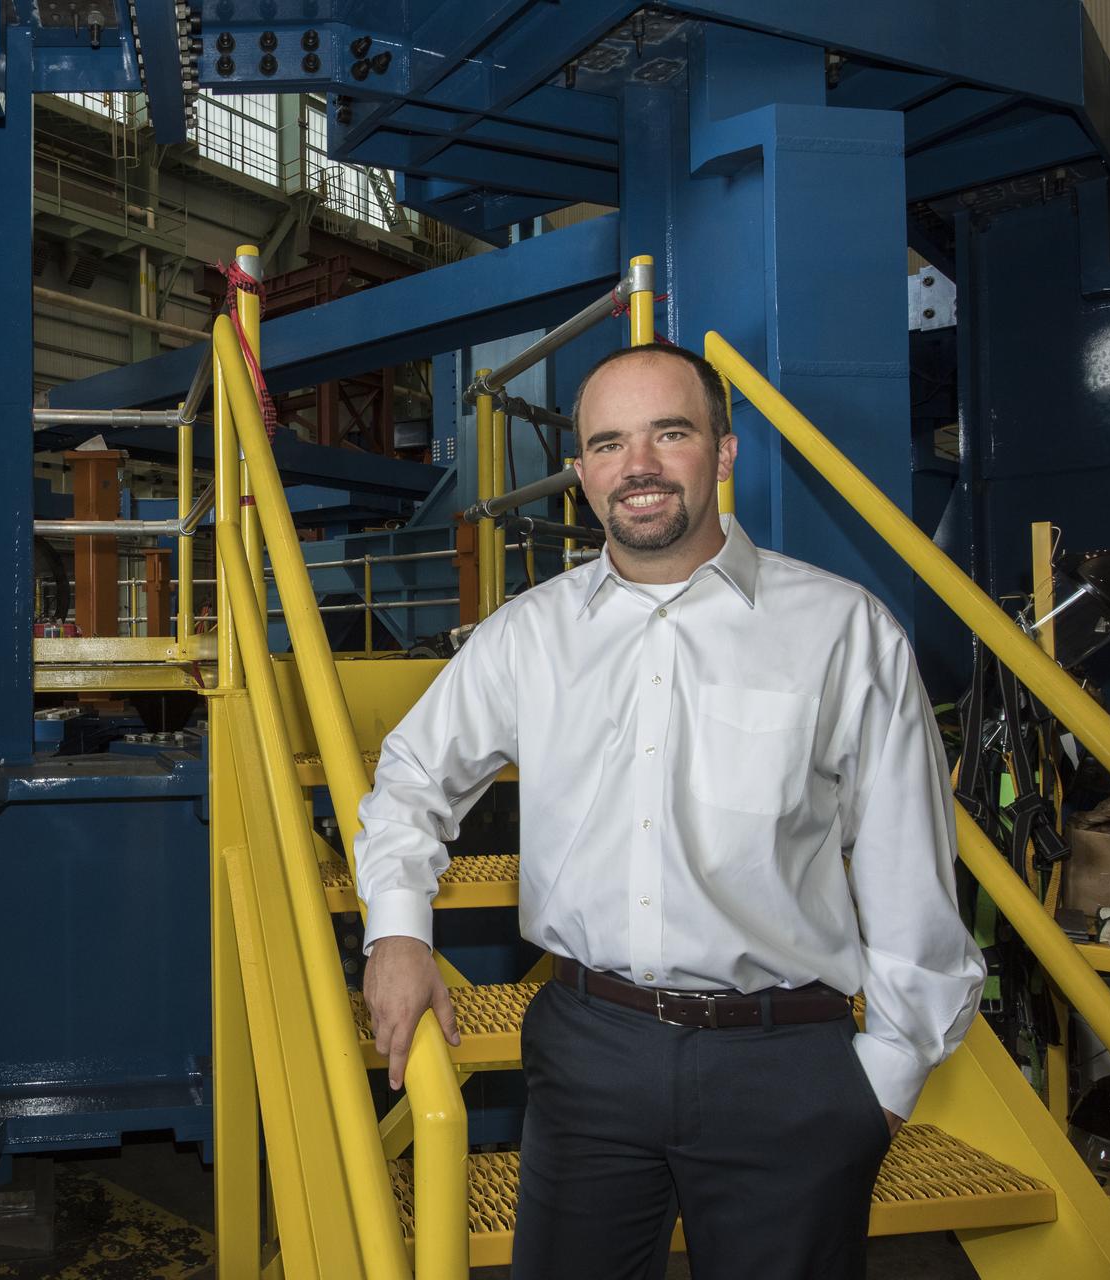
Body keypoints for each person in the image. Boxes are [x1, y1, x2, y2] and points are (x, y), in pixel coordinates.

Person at [355, 343, 986, 1280]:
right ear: (580, 474)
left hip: (784, 1065)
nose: (636, 465)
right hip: (587, 1054)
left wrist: (886, 1076)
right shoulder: (530, 635)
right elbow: (410, 775)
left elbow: (906, 868)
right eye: (607, 444)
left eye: (670, 433)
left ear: (724, 453)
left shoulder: (841, 632)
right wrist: (398, 934)